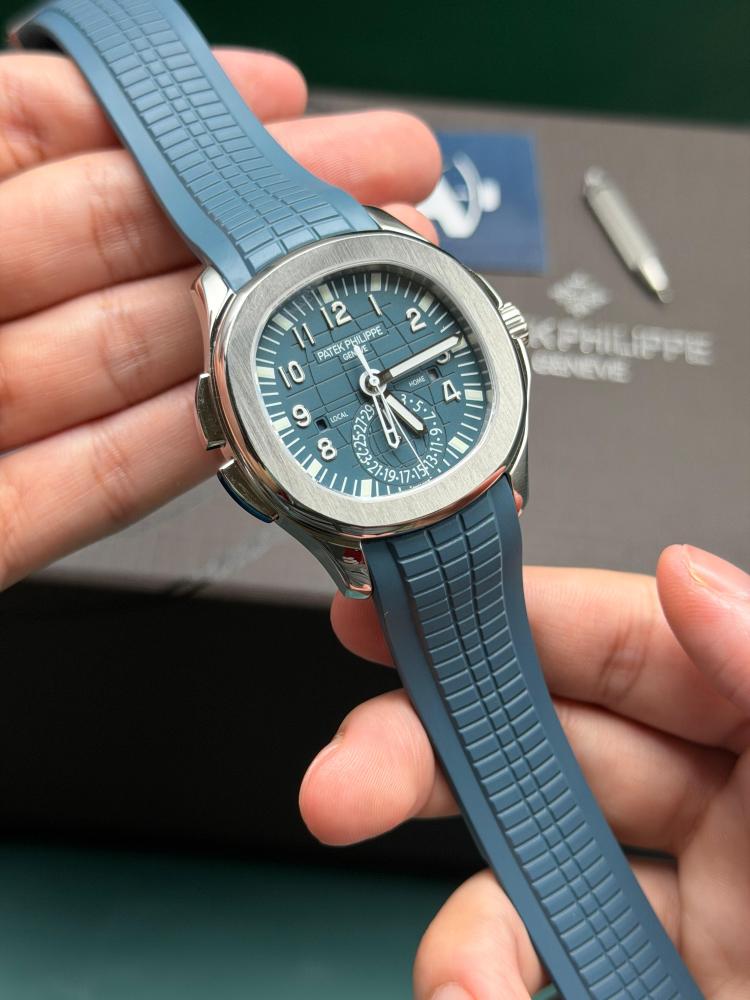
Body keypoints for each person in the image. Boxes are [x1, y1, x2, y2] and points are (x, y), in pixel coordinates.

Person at [1, 48, 747, 1000]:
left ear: (499, 331)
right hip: (413, 505)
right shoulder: (253, 338)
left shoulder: (406, 291)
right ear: (226, 429)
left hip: (466, 485)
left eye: (380, 371)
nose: (368, 379)